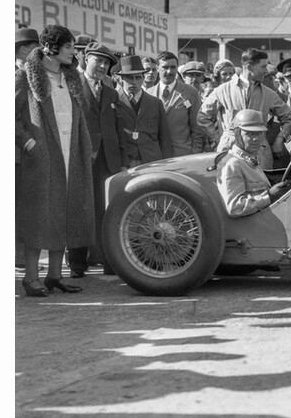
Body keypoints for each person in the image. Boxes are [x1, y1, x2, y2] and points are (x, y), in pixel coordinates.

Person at [15, 25, 94, 297]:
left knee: (65, 211)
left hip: (70, 151)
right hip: (42, 155)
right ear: (51, 48)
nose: (75, 53)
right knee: (39, 216)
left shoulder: (71, 78)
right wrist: (29, 143)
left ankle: (54, 276)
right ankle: (30, 277)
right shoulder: (25, 77)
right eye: (70, 47)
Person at [65, 42, 126, 277]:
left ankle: (108, 260)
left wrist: (121, 161)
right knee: (80, 208)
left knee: (106, 209)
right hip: (80, 155)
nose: (102, 66)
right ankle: (77, 265)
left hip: (108, 160)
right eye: (97, 60)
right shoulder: (71, 85)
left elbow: (118, 128)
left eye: (107, 63)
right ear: (85, 58)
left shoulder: (111, 92)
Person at [198, 48, 291, 169]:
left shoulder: (269, 94)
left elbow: (289, 118)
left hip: (260, 155)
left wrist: (279, 139)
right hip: (229, 153)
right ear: (249, 67)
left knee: (261, 186)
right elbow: (202, 117)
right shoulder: (223, 90)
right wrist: (221, 137)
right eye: (263, 67)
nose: (266, 71)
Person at [216, 110, 291, 217]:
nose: (256, 139)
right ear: (237, 134)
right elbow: (234, 208)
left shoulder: (249, 159)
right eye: (250, 134)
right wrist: (269, 196)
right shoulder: (232, 164)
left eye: (259, 133)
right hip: (250, 229)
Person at [114, 55, 173, 167]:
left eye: (138, 77)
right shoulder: (114, 100)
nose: (134, 82)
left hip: (152, 161)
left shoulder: (155, 103)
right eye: (130, 78)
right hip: (125, 162)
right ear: (122, 79)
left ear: (143, 78)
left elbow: (164, 137)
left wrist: (167, 164)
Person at [14, 27, 41, 268]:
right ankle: (20, 257)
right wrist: (28, 141)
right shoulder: (19, 76)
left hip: (23, 154)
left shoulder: (27, 74)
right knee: (19, 206)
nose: (39, 53)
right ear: (23, 50)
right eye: (35, 48)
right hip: (18, 155)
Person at [144, 51, 204, 157]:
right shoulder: (148, 94)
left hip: (183, 155)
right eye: (165, 67)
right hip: (157, 156)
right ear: (158, 68)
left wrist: (195, 153)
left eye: (173, 67)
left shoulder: (190, 92)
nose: (169, 71)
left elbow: (197, 127)